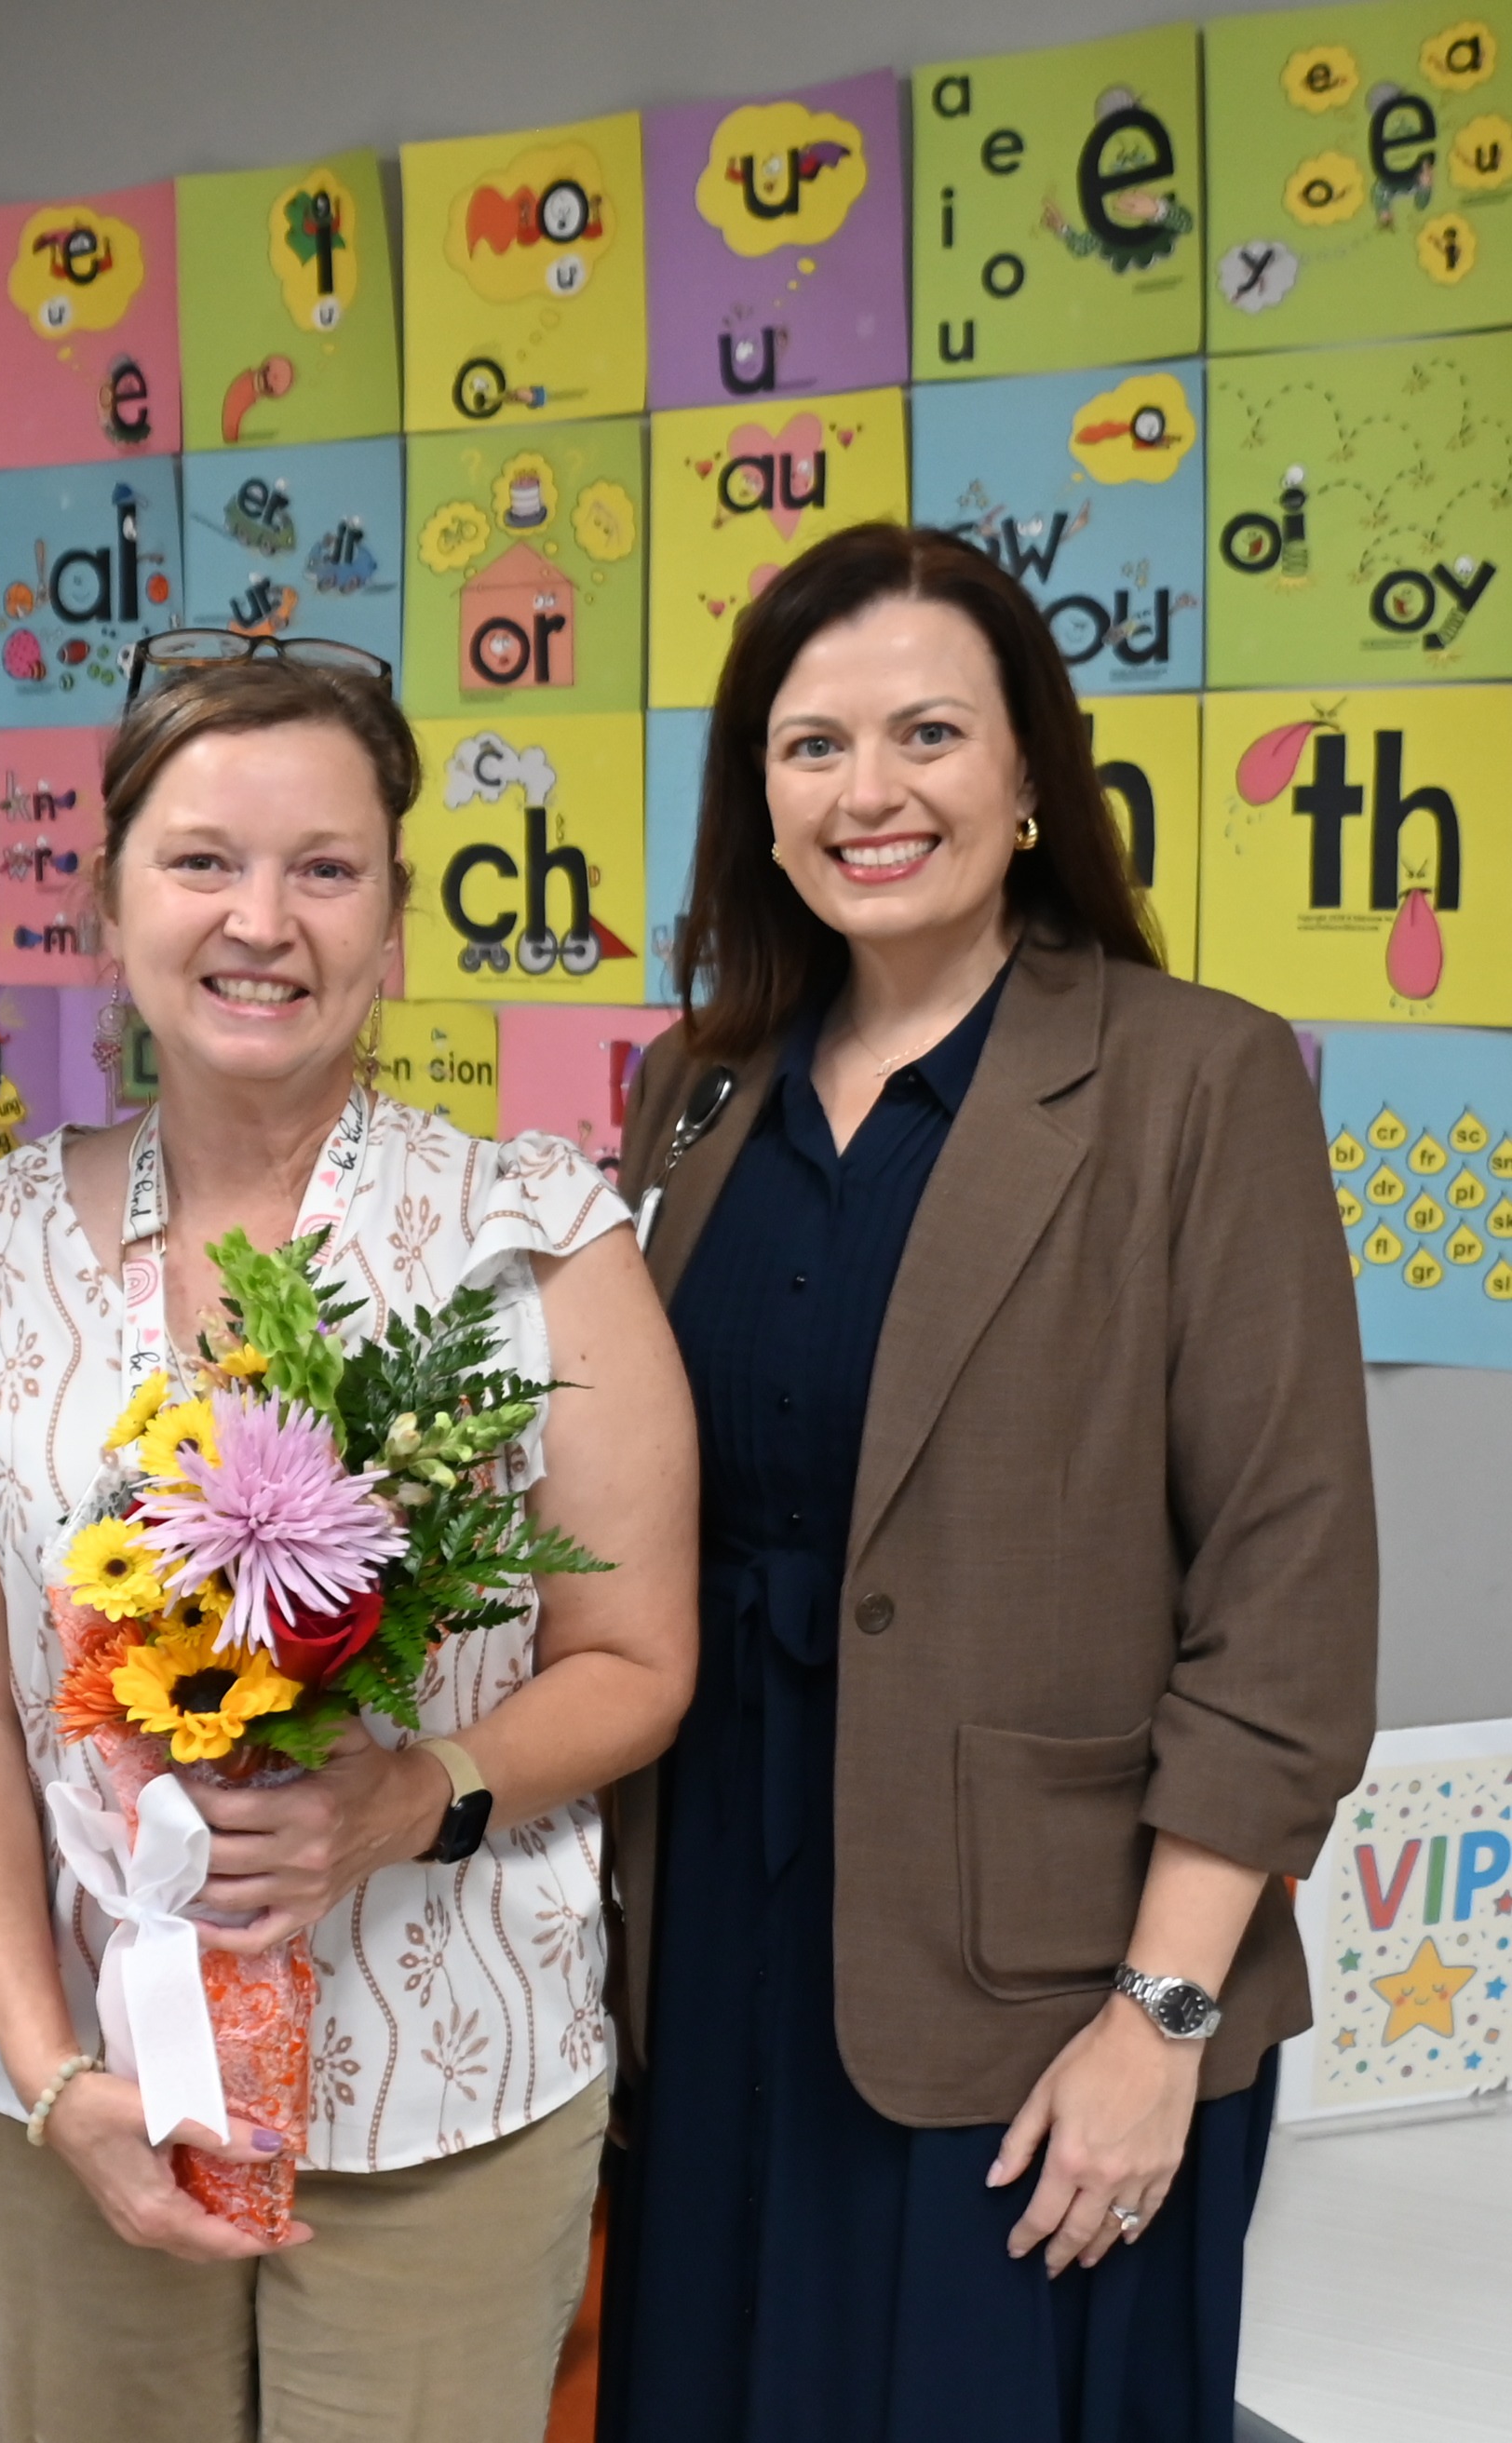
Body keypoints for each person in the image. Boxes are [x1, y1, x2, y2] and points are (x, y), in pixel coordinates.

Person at [0, 642, 699, 2443]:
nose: (260, 922)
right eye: (202, 860)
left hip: (448, 2087)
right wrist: (52, 2071)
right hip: (59, 2088)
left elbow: (640, 1659)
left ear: (392, 918)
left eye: (324, 869)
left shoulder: (531, 1240)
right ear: (108, 899)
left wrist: (410, 1792)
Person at [599, 523, 1378, 2441]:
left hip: (1048, 1991)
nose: (867, 792)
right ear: (754, 795)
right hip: (712, 1942)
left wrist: (1159, 2023)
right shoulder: (695, 1089)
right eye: (808, 745)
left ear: (1031, 772)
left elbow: (1285, 1603)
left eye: (928, 733)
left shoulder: (1196, 1082)